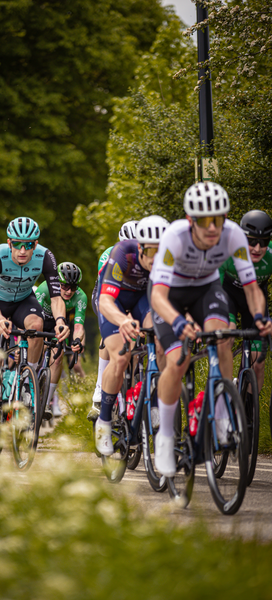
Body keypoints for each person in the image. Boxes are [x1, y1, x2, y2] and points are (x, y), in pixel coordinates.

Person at [150, 182, 272, 478]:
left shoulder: (232, 236)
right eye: (205, 221)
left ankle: (220, 414)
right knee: (178, 359)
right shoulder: (175, 237)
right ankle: (165, 437)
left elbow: (252, 287)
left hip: (207, 289)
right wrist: (179, 322)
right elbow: (157, 296)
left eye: (219, 219)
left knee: (224, 336)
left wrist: (258, 317)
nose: (213, 227)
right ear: (191, 220)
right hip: (172, 296)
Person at [0, 216, 70, 450]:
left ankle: (31, 378)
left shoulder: (45, 256)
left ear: (35, 245)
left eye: (28, 245)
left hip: (22, 302)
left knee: (37, 326)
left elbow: (56, 297)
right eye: (17, 244)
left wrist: (59, 321)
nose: (22, 250)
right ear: (9, 242)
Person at [94, 215, 169, 455]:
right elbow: (105, 301)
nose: (157, 259)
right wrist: (123, 320)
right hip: (113, 299)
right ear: (140, 248)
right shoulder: (123, 253)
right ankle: (104, 422)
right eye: (151, 252)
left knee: (161, 339)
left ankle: (154, 400)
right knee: (120, 356)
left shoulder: (170, 258)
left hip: (143, 299)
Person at [88, 220, 139, 419]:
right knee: (109, 336)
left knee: (138, 337)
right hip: (107, 295)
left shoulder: (149, 256)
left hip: (133, 297)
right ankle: (100, 387)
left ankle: (134, 387)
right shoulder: (109, 255)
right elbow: (106, 296)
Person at [219, 210, 272, 394]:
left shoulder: (271, 255)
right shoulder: (228, 251)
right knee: (227, 336)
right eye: (251, 242)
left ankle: (249, 414)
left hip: (256, 298)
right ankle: (223, 394)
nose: (257, 248)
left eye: (264, 242)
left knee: (258, 361)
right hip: (228, 295)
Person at [35, 261, 87, 419]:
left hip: (60, 325)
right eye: (64, 286)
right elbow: (31, 316)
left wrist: (77, 341)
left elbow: (78, 326)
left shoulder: (81, 297)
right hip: (41, 322)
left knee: (57, 358)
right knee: (36, 352)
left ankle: (46, 400)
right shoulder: (44, 288)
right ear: (57, 282)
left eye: (73, 287)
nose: (69, 291)